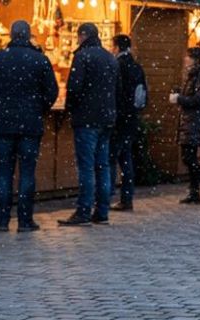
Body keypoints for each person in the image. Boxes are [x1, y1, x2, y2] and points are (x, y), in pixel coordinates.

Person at [0, 20, 58, 232]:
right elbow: (52, 92)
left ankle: (2, 220)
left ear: (12, 35)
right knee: (27, 173)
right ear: (29, 35)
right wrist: (38, 108)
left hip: (5, 124)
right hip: (31, 125)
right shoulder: (40, 60)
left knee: (4, 172)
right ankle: (25, 220)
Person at [59, 23, 119, 226]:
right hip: (106, 119)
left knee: (86, 166)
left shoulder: (83, 56)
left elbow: (74, 88)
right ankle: (102, 211)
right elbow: (117, 89)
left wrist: (70, 110)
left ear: (83, 36)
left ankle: (84, 210)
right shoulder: (110, 57)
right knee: (102, 165)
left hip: (87, 119)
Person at [171, 47, 200, 204]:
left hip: (194, 120)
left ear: (194, 59)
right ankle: (194, 192)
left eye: (188, 56)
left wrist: (180, 99)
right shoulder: (194, 74)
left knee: (189, 157)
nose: (185, 59)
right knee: (188, 157)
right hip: (190, 120)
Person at [109, 34, 147, 212]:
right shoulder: (137, 67)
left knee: (110, 158)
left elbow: (113, 92)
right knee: (126, 160)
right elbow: (142, 95)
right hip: (132, 118)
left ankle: (105, 197)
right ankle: (127, 198)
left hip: (118, 118)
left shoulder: (117, 66)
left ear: (116, 47)